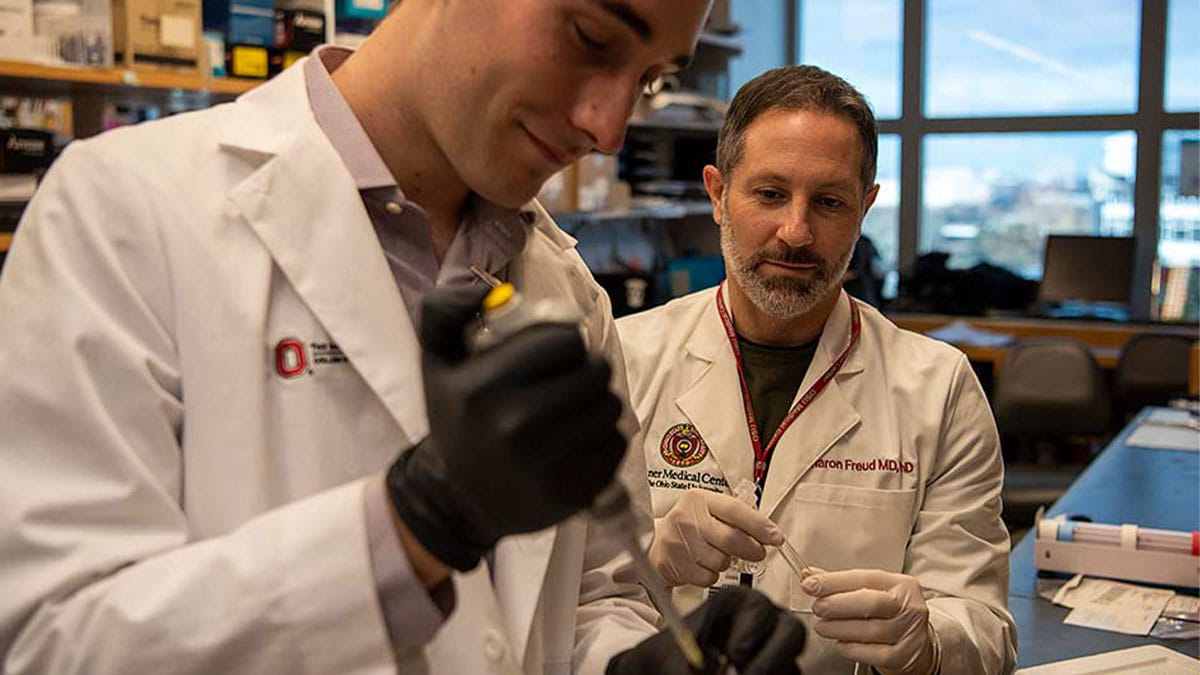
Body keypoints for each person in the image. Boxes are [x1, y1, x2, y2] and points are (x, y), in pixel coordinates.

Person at [0, 1, 807, 673]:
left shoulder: (567, 292)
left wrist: (631, 661)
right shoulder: (125, 212)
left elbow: (589, 594)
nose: (606, 127)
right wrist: (414, 524)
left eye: (652, 79)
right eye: (591, 38)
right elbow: (51, 643)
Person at [618, 65, 1017, 674]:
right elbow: (547, 593)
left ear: (866, 208)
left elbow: (986, 630)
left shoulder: (940, 389)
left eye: (829, 202)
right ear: (718, 194)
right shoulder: (621, 358)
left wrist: (931, 645)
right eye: (770, 194)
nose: (796, 232)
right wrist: (650, 558)